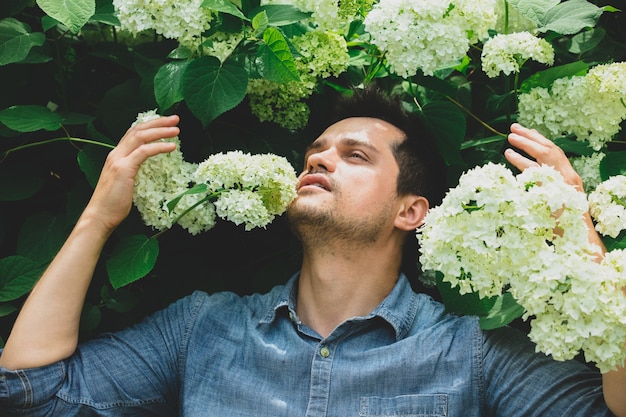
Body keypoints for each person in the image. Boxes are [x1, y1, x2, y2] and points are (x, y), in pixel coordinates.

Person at [0, 87, 624, 417]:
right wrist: (100, 216)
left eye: (355, 155)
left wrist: (583, 239)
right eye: (315, 153)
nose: (321, 159)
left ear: (412, 211)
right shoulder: (203, 329)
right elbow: (28, 390)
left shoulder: (470, 351)